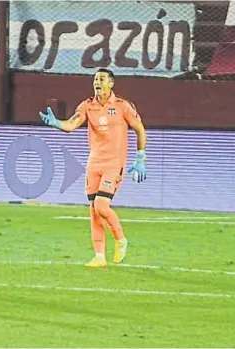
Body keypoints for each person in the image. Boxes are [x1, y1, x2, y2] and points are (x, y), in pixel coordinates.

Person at [39, 68, 147, 268]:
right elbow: (72, 124)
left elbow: (140, 129)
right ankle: (99, 256)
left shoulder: (123, 106)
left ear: (111, 83)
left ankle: (121, 239)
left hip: (114, 164)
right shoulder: (87, 105)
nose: (97, 82)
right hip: (94, 163)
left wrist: (140, 156)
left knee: (101, 206)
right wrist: (56, 124)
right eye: (95, 79)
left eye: (102, 79)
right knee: (94, 210)